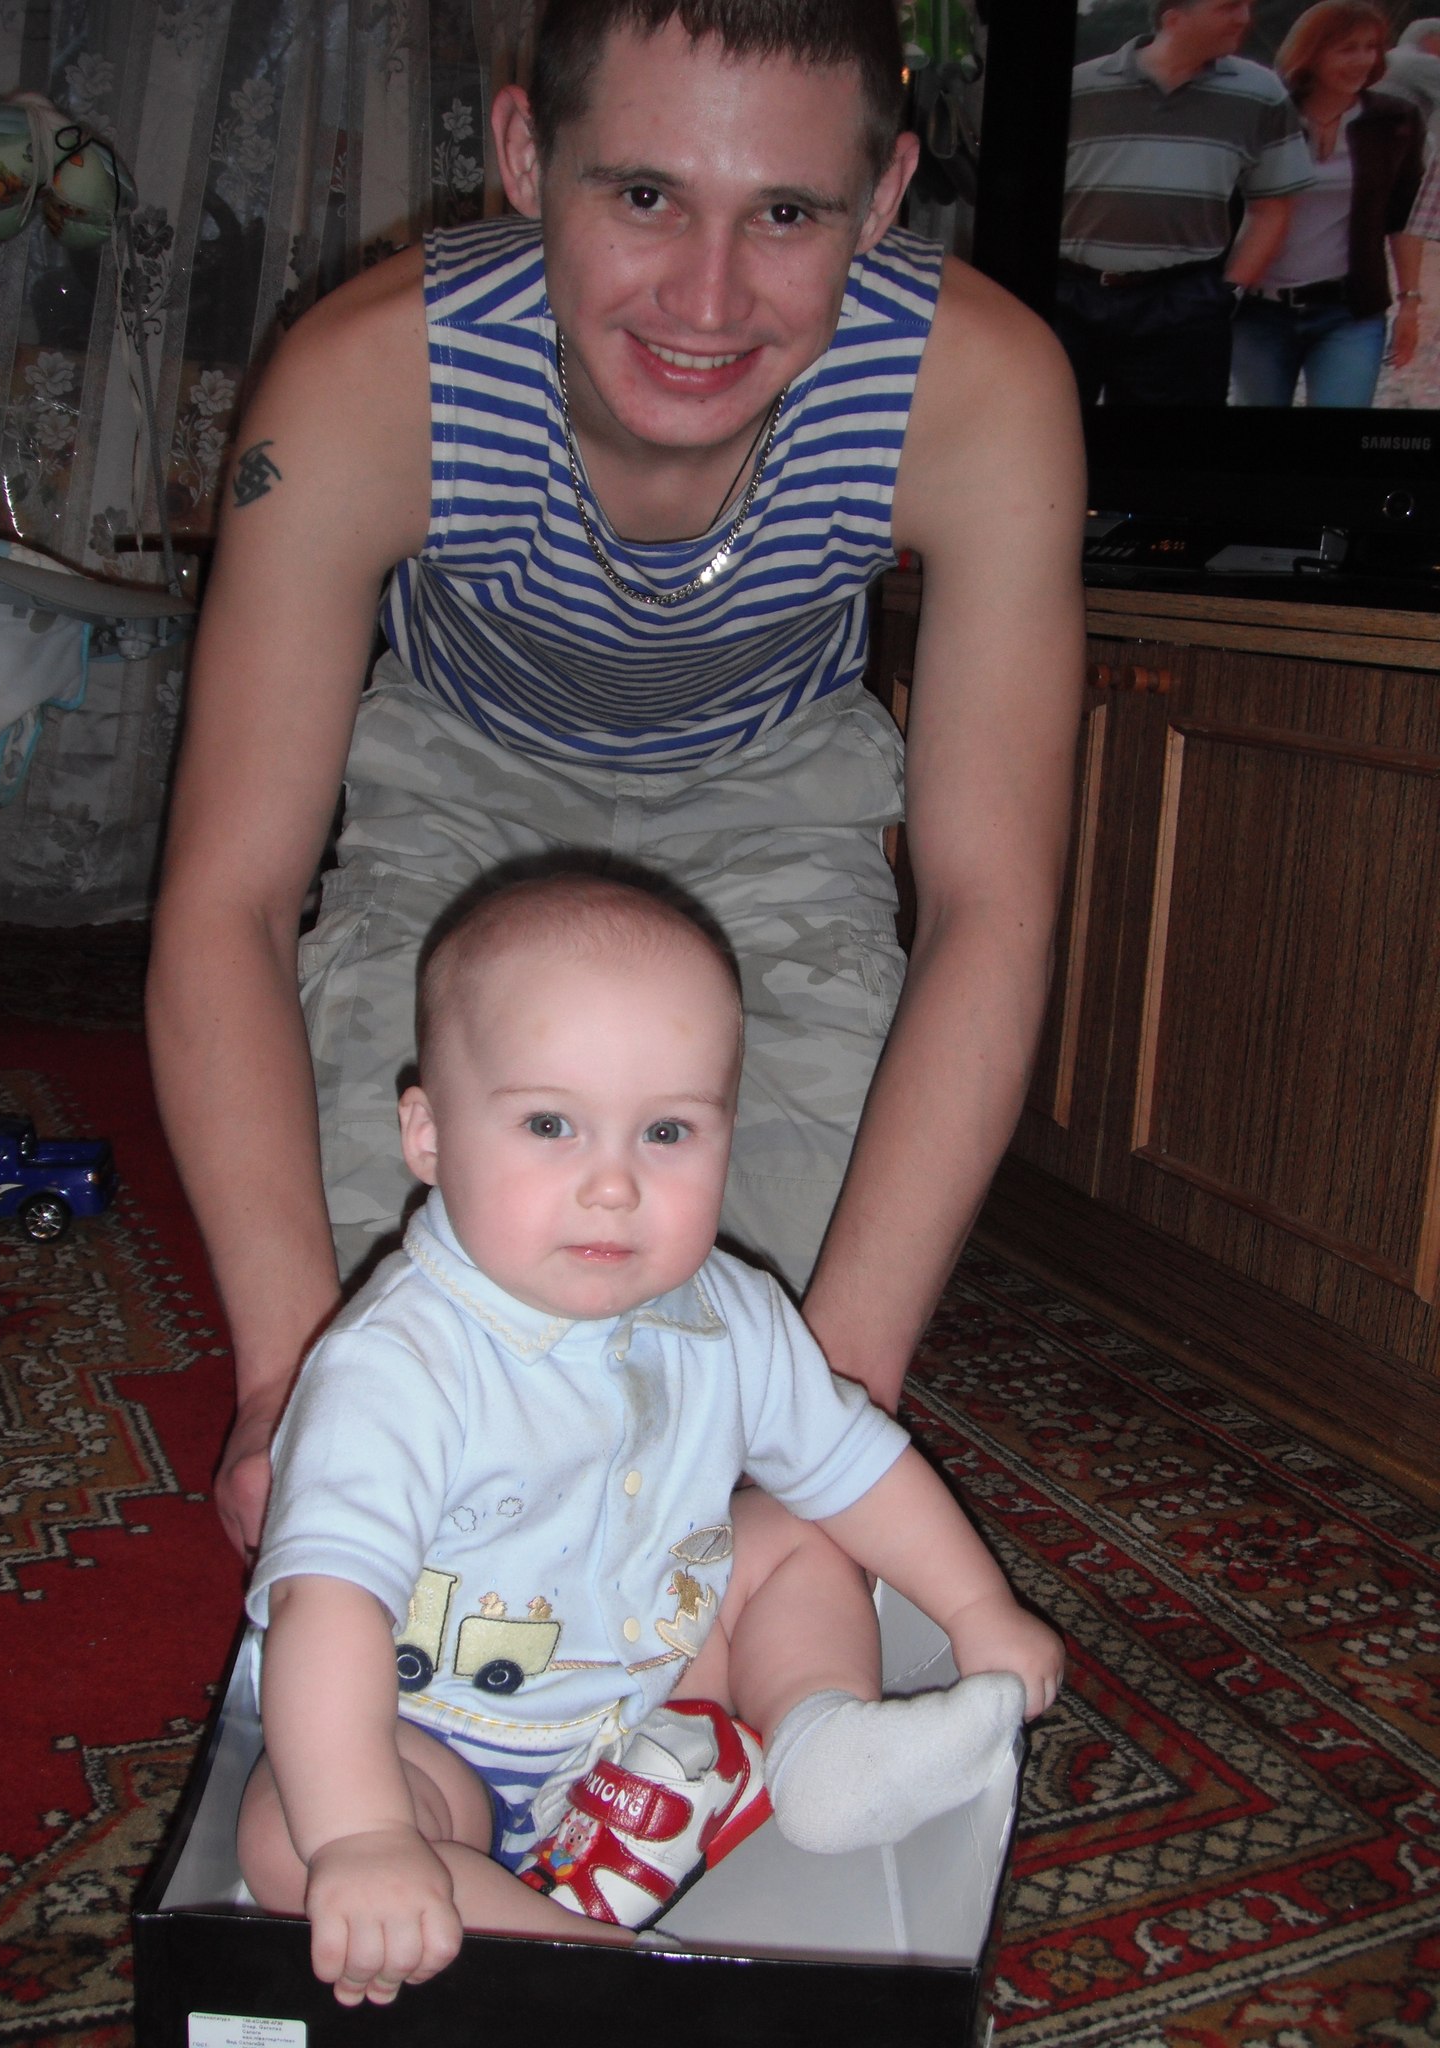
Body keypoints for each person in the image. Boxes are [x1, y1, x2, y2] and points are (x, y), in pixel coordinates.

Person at [146, 0, 1086, 1566]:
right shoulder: (369, 382)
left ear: (884, 194)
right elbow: (227, 899)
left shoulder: (976, 390)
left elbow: (993, 906)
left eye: (787, 215)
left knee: (729, 1367)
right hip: (460, 800)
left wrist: (835, 1412)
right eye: (644, 195)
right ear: (526, 155)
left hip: (773, 801)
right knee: (428, 1351)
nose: (706, 302)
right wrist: (284, 1378)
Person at [236, 870, 1065, 2007]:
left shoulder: (730, 1311)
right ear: (427, 1134)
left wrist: (977, 1609)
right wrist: (364, 1833)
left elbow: (855, 1461)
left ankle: (820, 1740)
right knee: (290, 1840)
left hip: (643, 1697)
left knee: (804, 1531)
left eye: (667, 1130)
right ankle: (600, 1979)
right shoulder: (397, 1363)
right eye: (549, 1125)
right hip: (428, 1735)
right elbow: (326, 1605)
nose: (615, 1184)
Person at [1057, 0, 1315, 406]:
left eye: (1247, 6)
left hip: (1183, 304)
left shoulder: (1261, 93)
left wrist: (1228, 291)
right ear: (1174, 19)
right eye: (1229, 7)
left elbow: (1274, 206)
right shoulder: (1081, 87)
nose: (1245, 18)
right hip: (1070, 299)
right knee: (1051, 434)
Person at [1231, 1, 1425, 407]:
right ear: (1311, 52)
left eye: (1371, 47)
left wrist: (1409, 303)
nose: (1363, 60)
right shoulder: (1266, 116)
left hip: (1349, 312)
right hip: (1258, 311)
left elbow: (1403, 217)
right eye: (1347, 48)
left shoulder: (1395, 121)